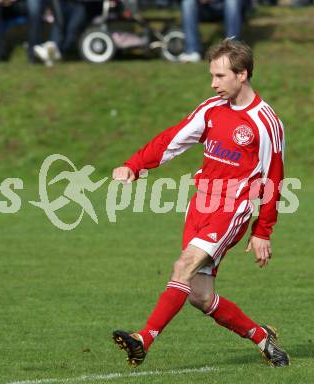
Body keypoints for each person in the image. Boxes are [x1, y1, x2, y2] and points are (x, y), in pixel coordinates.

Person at [111, 38, 290, 367]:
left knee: (183, 266)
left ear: (243, 75)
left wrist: (263, 230)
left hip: (231, 209)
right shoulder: (211, 109)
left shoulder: (266, 123)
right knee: (199, 295)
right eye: (212, 76)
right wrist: (134, 165)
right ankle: (262, 338)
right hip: (200, 206)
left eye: (220, 77)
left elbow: (274, 179)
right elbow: (173, 139)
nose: (213, 83)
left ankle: (144, 338)